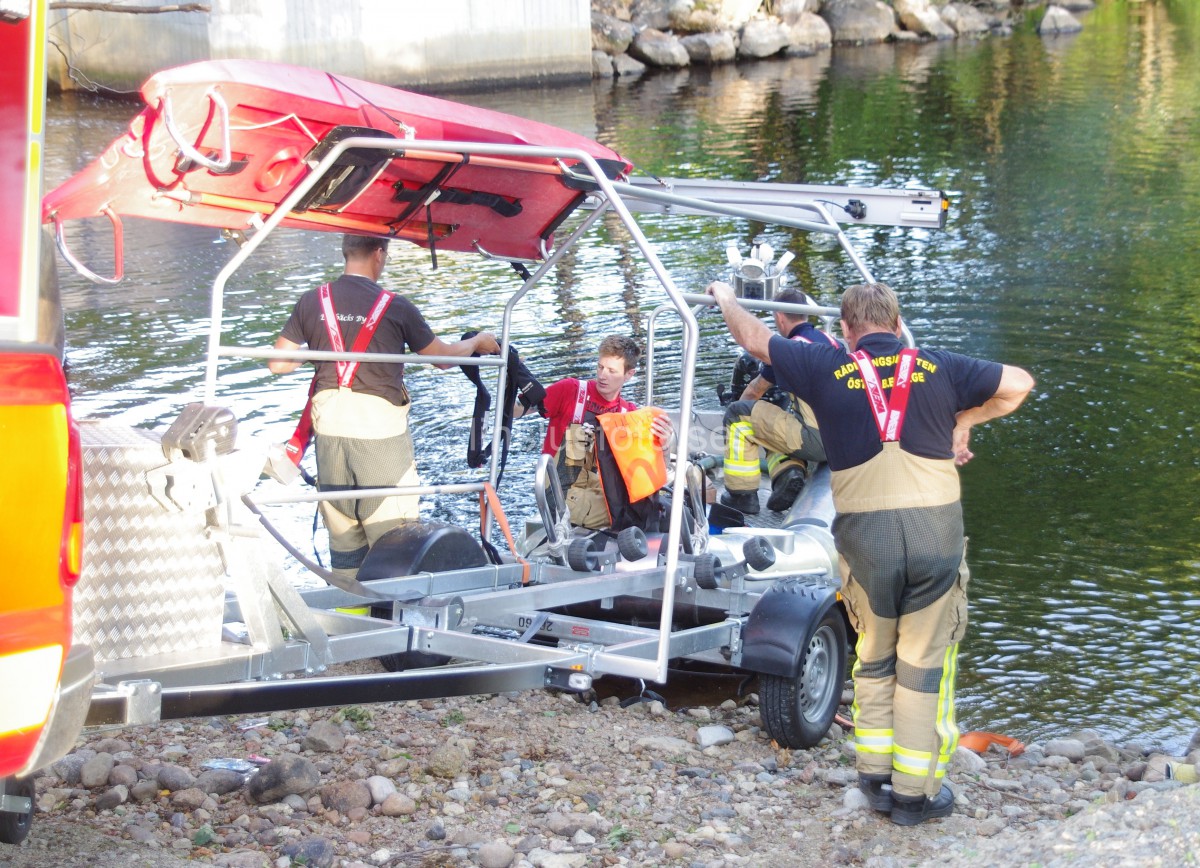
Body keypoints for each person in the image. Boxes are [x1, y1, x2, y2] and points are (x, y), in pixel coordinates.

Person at [706, 279, 1034, 826]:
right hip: (934, 535)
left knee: (875, 654)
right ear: (898, 325)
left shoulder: (824, 365)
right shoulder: (940, 366)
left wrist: (724, 299)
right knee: (925, 663)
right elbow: (1019, 383)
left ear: (845, 330)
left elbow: (756, 339)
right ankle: (915, 796)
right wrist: (962, 422)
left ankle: (874, 778)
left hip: (865, 537)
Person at [268, 233, 499, 578]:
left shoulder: (312, 300)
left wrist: (319, 353)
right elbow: (441, 359)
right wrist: (477, 341)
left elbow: (278, 364)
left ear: (346, 252)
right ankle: (397, 623)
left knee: (345, 542)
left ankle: (351, 618)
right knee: (396, 542)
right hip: (379, 437)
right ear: (379, 254)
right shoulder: (396, 306)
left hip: (330, 435)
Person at [520, 335, 671, 530]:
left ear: (629, 374)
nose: (602, 375)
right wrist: (516, 381)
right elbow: (518, 410)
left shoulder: (629, 414)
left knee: (661, 509)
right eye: (600, 367)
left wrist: (664, 446)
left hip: (603, 492)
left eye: (611, 371)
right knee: (651, 513)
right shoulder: (570, 391)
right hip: (560, 489)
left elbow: (650, 474)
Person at [720, 287, 841, 516]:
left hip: (818, 439)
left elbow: (755, 391)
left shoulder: (791, 348)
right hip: (841, 438)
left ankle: (741, 496)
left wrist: (735, 410)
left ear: (779, 317)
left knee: (740, 416)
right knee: (774, 417)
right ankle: (788, 472)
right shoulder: (830, 341)